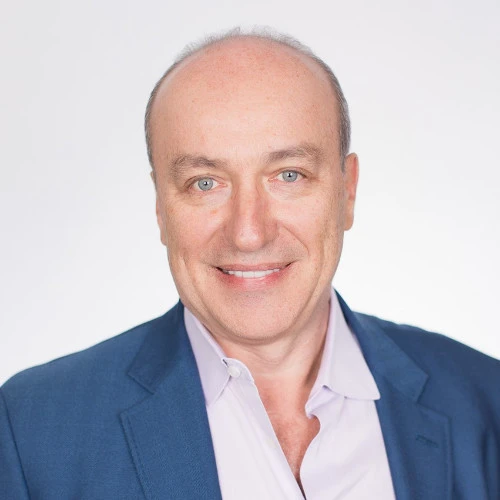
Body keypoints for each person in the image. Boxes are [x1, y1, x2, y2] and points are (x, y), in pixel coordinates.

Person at [1, 27, 499, 500]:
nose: (248, 232)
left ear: (347, 192)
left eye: (288, 175)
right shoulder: (32, 431)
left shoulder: (486, 401)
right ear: (160, 207)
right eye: (204, 183)